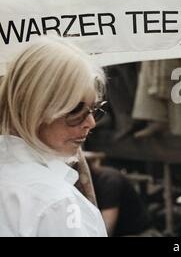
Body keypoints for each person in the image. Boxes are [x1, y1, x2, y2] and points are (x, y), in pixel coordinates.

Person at [0, 37, 107, 237]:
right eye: (76, 110)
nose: (91, 122)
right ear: (35, 107)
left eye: (95, 109)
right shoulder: (55, 201)